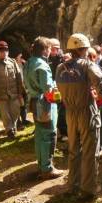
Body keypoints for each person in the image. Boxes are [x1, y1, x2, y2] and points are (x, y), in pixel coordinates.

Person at [56, 33, 102, 201]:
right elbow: (101, 84)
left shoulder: (60, 68)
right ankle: (88, 189)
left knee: (73, 150)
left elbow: (60, 89)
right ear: (84, 49)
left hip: (70, 113)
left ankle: (72, 185)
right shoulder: (87, 65)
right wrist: (99, 96)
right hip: (87, 111)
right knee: (90, 151)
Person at [24, 37, 63, 179]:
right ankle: (47, 168)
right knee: (49, 134)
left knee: (40, 135)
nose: (49, 51)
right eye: (48, 48)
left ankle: (41, 165)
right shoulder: (43, 65)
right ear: (44, 49)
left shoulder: (28, 63)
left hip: (34, 101)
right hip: (45, 103)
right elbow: (47, 89)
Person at [0, 41, 23, 138]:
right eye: (1, 50)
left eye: (6, 50)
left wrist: (20, 93)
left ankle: (13, 127)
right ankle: (9, 130)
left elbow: (18, 78)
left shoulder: (12, 62)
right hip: (1, 95)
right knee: (5, 114)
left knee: (15, 112)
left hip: (14, 94)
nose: (4, 52)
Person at [48, 38, 67, 141]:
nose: (53, 51)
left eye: (56, 49)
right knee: (52, 109)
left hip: (61, 87)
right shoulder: (46, 58)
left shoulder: (63, 59)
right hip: (50, 87)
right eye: (52, 48)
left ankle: (63, 131)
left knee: (62, 110)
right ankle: (54, 130)